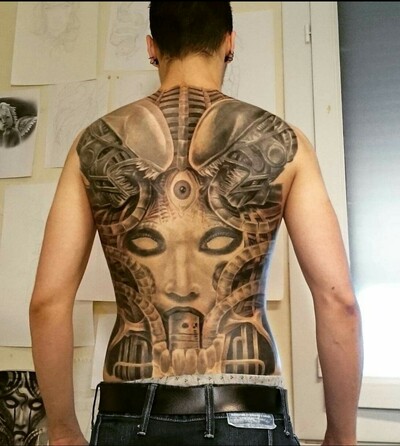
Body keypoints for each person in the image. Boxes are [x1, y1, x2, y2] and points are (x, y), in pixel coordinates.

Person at [29, 2, 363, 445]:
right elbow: (338, 301)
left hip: (130, 411)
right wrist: (341, 435)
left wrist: (62, 431)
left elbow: (47, 303)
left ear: (152, 48)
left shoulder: (91, 144)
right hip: (247, 412)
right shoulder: (285, 143)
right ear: (229, 42)